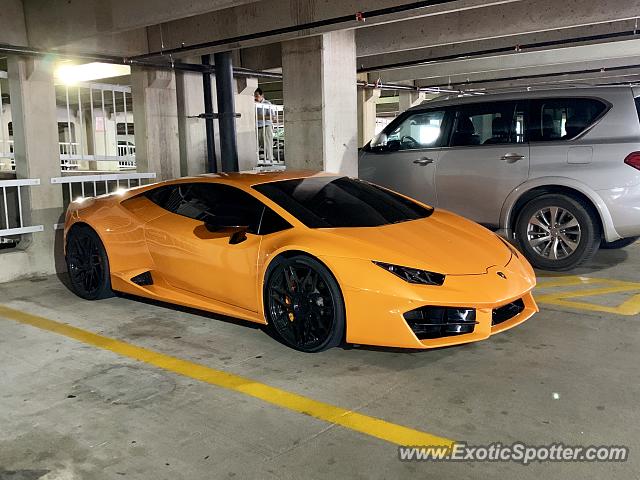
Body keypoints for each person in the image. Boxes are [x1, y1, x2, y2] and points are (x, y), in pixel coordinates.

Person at [254, 87, 274, 162]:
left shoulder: (267, 104)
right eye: (254, 96)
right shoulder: (253, 104)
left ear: (262, 95)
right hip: (256, 127)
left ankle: (270, 161)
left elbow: (272, 117)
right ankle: (258, 161)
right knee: (256, 146)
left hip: (266, 126)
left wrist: (258, 117)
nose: (255, 98)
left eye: (257, 95)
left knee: (268, 145)